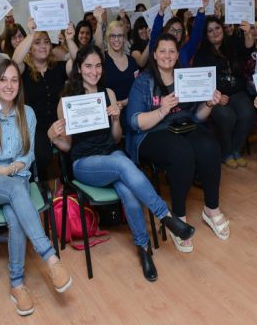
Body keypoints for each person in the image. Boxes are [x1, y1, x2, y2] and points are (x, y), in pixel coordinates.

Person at [48, 45, 195, 281]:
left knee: (128, 188)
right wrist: (52, 136)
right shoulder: (66, 100)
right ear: (78, 68)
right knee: (123, 165)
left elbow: (115, 138)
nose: (94, 71)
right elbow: (66, 147)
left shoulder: (109, 93)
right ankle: (165, 215)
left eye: (98, 66)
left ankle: (144, 249)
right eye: (88, 66)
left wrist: (116, 119)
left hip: (110, 155)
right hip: (84, 163)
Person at [0, 60, 71, 316]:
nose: (9, 85)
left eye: (14, 80)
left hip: (14, 175)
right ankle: (50, 258)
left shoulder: (28, 113)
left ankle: (16, 285)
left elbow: (28, 157)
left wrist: (4, 170)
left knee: (15, 212)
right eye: (3, 80)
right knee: (16, 191)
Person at [126, 33, 228, 252]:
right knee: (181, 152)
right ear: (154, 54)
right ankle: (178, 217)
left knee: (210, 145)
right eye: (162, 51)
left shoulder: (186, 77)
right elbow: (135, 122)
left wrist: (209, 104)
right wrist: (162, 110)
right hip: (152, 133)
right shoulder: (144, 81)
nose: (167, 55)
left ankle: (211, 208)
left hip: (184, 126)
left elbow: (198, 116)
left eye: (172, 51)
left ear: (177, 54)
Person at [193, 17, 256, 168]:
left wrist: (248, 33)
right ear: (206, 35)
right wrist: (215, 96)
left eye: (217, 28)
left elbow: (248, 49)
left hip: (237, 91)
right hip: (215, 96)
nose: (215, 32)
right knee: (228, 116)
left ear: (222, 28)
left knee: (248, 113)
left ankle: (236, 150)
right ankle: (226, 153)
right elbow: (199, 81)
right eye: (210, 30)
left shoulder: (232, 42)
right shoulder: (201, 55)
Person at [12, 18, 67, 180]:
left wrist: (69, 40)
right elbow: (14, 61)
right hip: (35, 128)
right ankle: (39, 186)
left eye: (46, 42)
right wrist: (31, 34)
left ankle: (69, 186)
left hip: (60, 124)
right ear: (30, 47)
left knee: (75, 147)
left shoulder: (58, 67)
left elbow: (79, 63)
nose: (43, 46)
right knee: (43, 155)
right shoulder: (23, 70)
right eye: (37, 43)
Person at [150, 0, 210, 67]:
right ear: (166, 31)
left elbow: (196, 34)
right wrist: (161, 11)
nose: (175, 33)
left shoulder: (185, 51)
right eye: (172, 30)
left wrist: (201, 9)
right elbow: (155, 33)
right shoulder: (156, 47)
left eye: (179, 31)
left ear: (182, 35)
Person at [103, 20, 138, 115]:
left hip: (132, 110)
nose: (117, 39)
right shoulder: (102, 60)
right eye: (113, 36)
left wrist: (124, 102)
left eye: (120, 35)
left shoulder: (132, 61)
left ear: (124, 38)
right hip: (110, 113)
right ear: (108, 38)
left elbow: (137, 88)